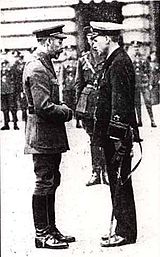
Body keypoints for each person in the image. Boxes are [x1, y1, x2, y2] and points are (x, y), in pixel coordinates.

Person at [23, 25, 75, 249]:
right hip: (42, 134)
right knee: (44, 181)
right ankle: (42, 233)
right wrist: (67, 111)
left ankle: (50, 229)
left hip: (48, 134)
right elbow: (44, 107)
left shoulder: (44, 65)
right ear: (46, 42)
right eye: (58, 41)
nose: (61, 46)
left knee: (52, 180)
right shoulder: (37, 68)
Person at [90, 21, 141, 247]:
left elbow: (120, 105)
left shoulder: (119, 63)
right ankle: (122, 227)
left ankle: (125, 232)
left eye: (96, 38)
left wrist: (118, 138)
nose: (93, 42)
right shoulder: (113, 61)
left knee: (120, 182)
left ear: (108, 38)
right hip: (113, 136)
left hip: (116, 137)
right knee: (116, 182)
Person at [75, 26, 108, 186]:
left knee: (106, 137)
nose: (92, 41)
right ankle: (96, 172)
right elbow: (78, 84)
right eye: (89, 38)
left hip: (104, 101)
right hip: (88, 104)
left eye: (94, 37)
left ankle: (107, 171)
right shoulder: (83, 60)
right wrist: (78, 109)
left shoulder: (108, 57)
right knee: (93, 139)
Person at [131, 41, 157, 127]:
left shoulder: (144, 59)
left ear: (140, 48)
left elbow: (150, 72)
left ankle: (152, 121)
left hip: (144, 84)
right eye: (134, 47)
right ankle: (139, 121)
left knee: (148, 102)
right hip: (135, 85)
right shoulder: (131, 60)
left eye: (137, 47)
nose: (136, 49)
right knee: (137, 104)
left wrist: (150, 83)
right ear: (132, 48)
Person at [1, 59, 19, 130]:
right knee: (4, 109)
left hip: (11, 92)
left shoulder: (12, 72)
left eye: (5, 64)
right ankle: (6, 124)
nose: (4, 66)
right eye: (3, 64)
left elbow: (16, 81)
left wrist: (16, 91)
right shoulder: (1, 72)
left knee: (13, 108)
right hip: (3, 92)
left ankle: (15, 124)